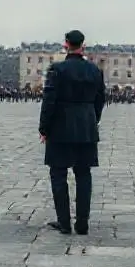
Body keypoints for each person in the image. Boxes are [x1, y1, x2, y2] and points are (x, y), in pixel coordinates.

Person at [38, 29, 106, 235]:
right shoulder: (95, 71)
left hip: (60, 127)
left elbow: (49, 101)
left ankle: (64, 222)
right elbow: (100, 101)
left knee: (58, 173)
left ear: (65, 44)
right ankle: (82, 223)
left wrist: (44, 128)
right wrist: (92, 119)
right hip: (86, 127)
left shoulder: (57, 69)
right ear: (83, 46)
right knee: (84, 174)